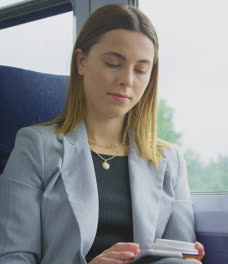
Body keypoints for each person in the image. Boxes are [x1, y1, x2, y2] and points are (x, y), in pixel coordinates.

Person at [0, 4, 205, 264]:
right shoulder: (36, 147)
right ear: (82, 61)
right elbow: (12, 258)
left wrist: (187, 258)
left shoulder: (169, 160)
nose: (127, 80)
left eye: (141, 70)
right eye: (113, 63)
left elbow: (182, 252)